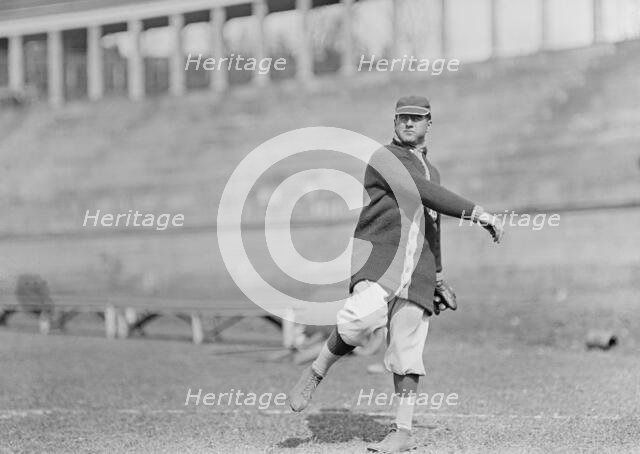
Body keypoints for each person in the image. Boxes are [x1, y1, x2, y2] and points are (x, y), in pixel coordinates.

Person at [288, 95, 504, 453]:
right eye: (402, 117)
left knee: (407, 348)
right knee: (362, 317)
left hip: (416, 268)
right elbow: (424, 193)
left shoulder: (433, 171)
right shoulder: (384, 157)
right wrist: (478, 212)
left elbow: (433, 225)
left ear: (428, 124)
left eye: (416, 119)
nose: (408, 123)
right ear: (394, 122)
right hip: (381, 257)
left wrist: (436, 275)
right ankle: (316, 371)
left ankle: (401, 432)